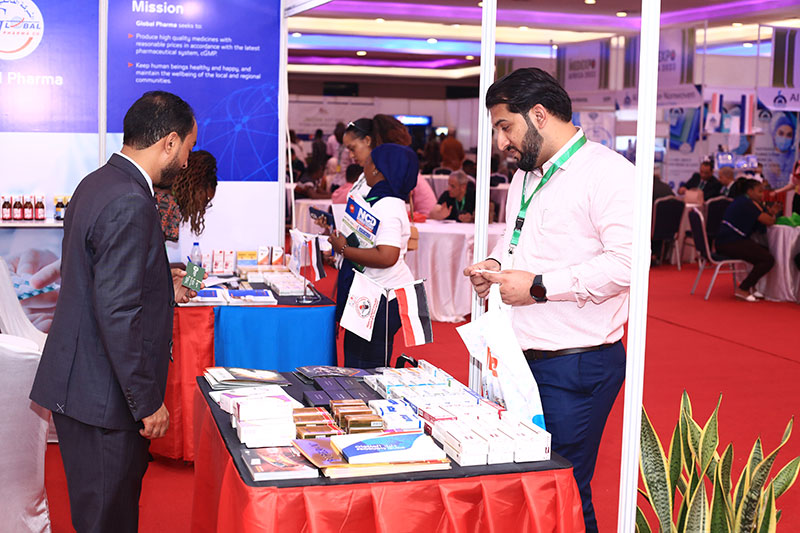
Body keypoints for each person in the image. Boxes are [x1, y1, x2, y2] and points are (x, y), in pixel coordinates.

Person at [463, 67, 633, 533]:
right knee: (524, 487)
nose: (501, 142)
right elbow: (517, 238)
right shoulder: (527, 175)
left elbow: (627, 264)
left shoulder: (609, 174)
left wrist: (538, 286)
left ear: (538, 114)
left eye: (505, 127)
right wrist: (496, 265)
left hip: (575, 363)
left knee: (564, 492)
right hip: (519, 357)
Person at [29, 91, 199, 532]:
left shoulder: (98, 182)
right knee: (108, 519)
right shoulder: (130, 200)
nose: (186, 162)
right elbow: (118, 312)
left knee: (101, 515)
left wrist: (161, 283)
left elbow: (100, 280)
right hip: (105, 397)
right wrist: (148, 402)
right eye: (187, 148)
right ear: (169, 142)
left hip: (86, 386)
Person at [328, 144, 417, 368]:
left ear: (378, 169)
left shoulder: (388, 206)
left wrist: (344, 250)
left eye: (367, 163)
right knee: (357, 362)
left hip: (381, 297)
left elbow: (387, 256)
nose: (363, 168)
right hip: (371, 292)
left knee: (367, 367)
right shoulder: (381, 200)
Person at [715, 179, 780, 302]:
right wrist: (773, 214)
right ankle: (743, 289)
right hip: (730, 242)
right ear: (750, 191)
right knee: (767, 259)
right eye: (759, 191)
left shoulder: (744, 201)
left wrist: (769, 212)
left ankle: (752, 286)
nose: (762, 195)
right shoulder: (747, 203)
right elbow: (769, 221)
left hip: (729, 240)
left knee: (764, 251)